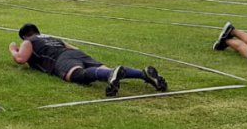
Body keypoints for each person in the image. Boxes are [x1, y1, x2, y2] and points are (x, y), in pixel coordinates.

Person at [10, 23, 167, 97]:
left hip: (60, 58)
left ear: (24, 36)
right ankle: (142, 74)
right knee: (106, 71)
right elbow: (73, 47)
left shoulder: (29, 41)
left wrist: (13, 49)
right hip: (76, 53)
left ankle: (110, 74)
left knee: (78, 75)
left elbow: (21, 59)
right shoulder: (53, 38)